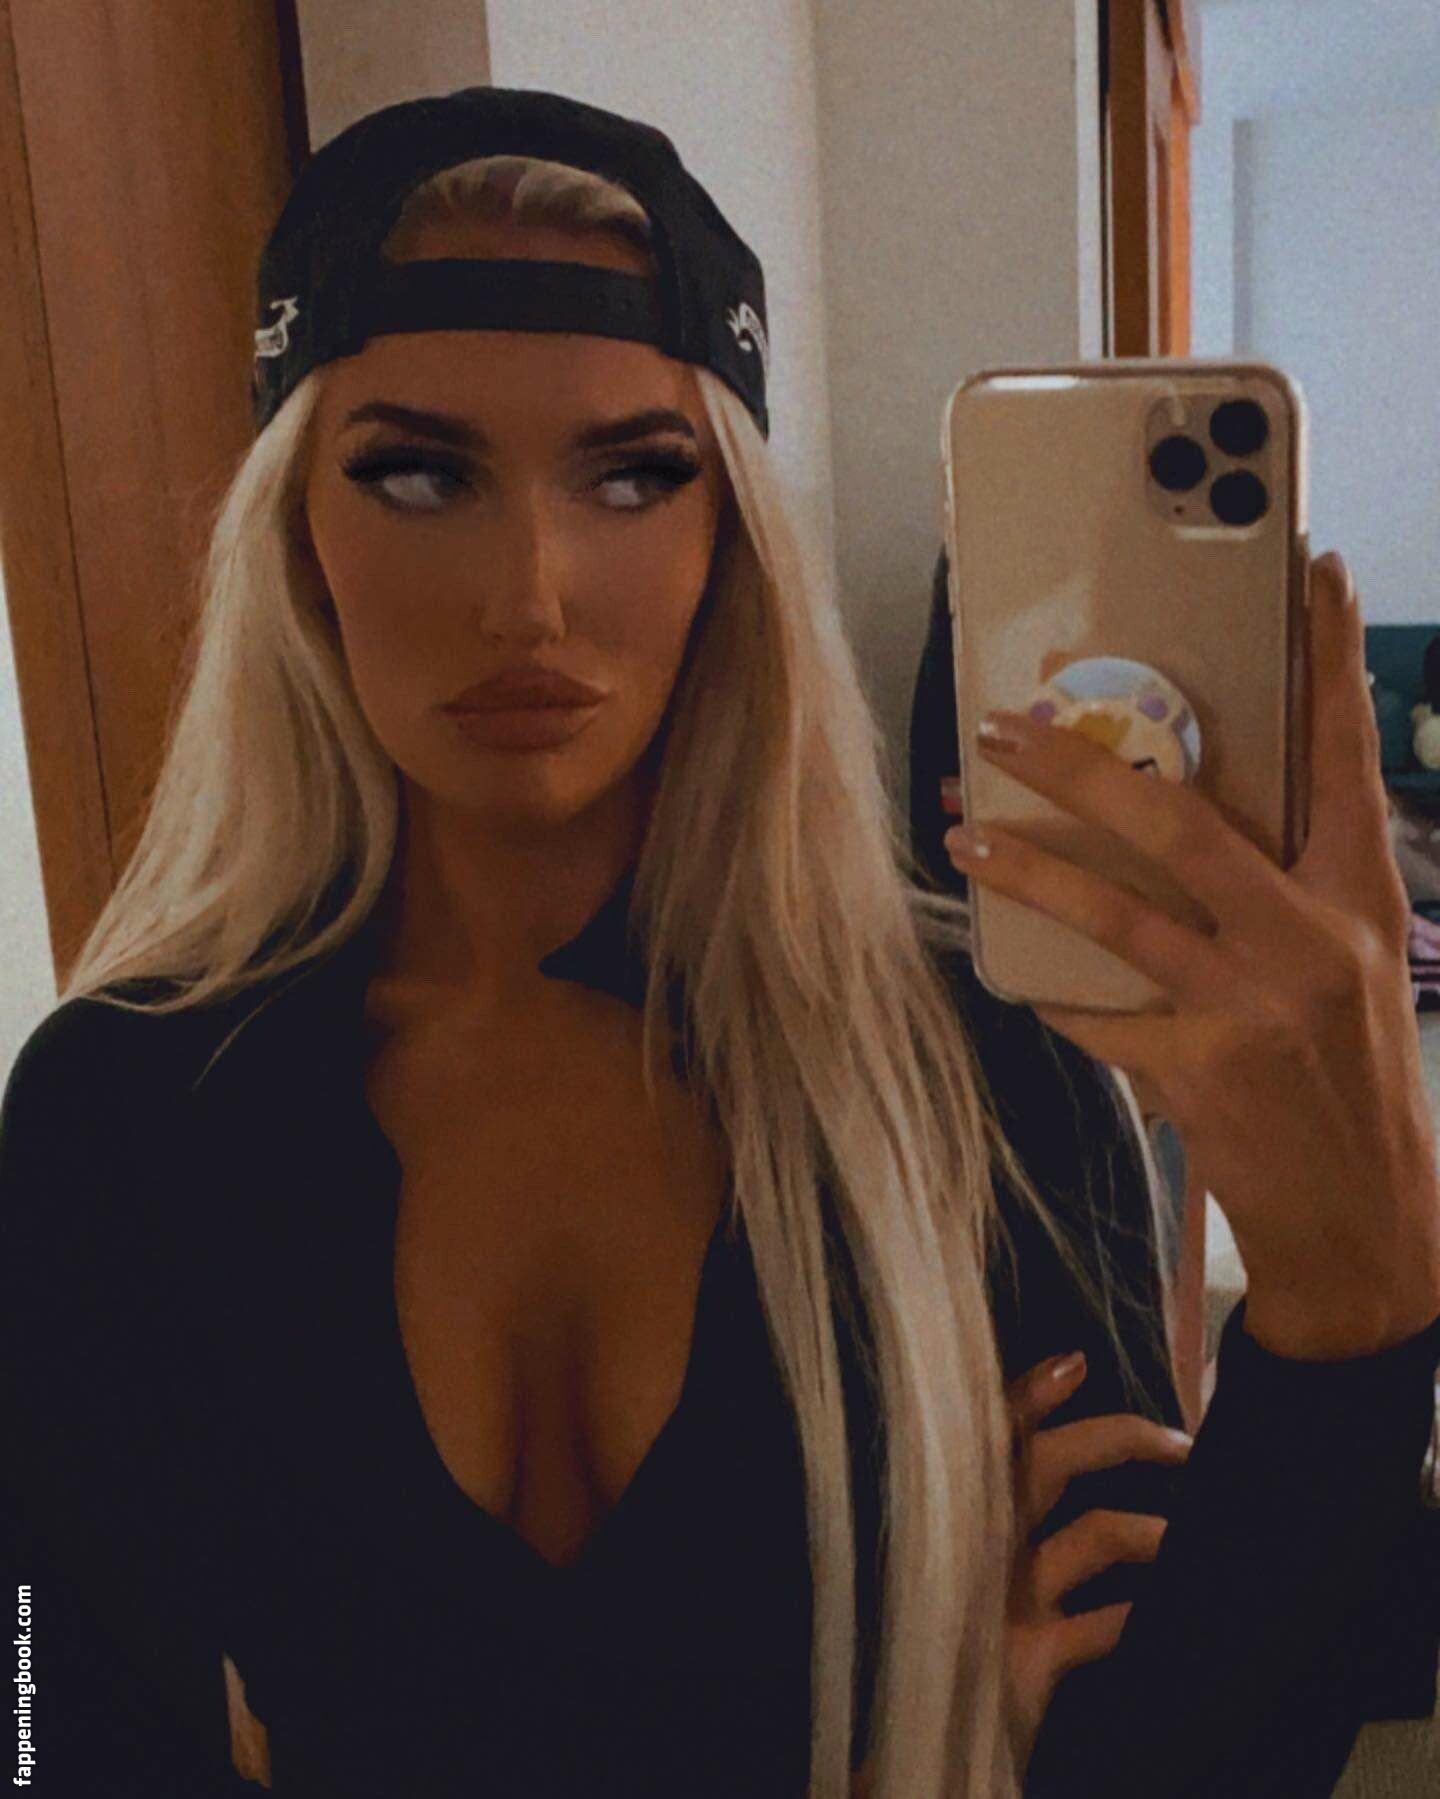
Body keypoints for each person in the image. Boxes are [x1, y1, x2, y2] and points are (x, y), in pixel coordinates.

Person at [0, 85, 1436, 1799]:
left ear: (728, 538)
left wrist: (1352, 1313)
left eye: (631, 476)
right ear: (300, 532)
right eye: (418, 474)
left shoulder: (977, 1069)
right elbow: (39, 1724)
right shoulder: (123, 1107)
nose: (530, 594)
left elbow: (1191, 1762)